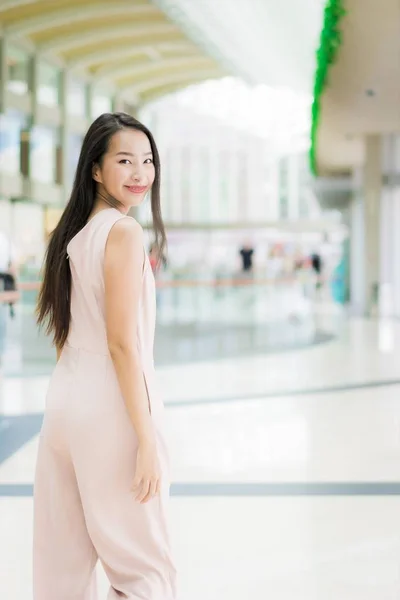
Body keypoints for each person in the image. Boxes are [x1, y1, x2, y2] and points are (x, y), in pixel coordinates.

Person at [34, 112, 177, 599]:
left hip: (66, 404)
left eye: (147, 160)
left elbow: (67, 333)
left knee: (64, 567)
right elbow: (121, 343)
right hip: (111, 411)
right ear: (96, 170)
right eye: (124, 161)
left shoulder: (72, 238)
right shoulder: (123, 232)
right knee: (145, 571)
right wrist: (147, 439)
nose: (140, 173)